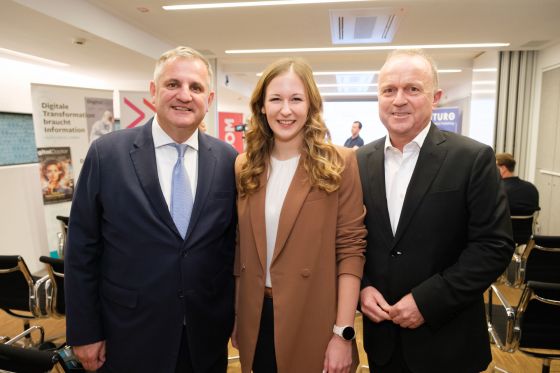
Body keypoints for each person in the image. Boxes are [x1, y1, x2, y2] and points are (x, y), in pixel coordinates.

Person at [65, 46, 238, 373]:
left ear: (209, 98)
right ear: (153, 92)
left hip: (205, 336)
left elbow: (232, 247)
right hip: (129, 335)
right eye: (173, 84)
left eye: (196, 87)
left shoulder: (228, 160)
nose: (184, 95)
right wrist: (84, 332)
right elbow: (82, 249)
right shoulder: (107, 155)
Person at [356, 49, 514, 373]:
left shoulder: (472, 159)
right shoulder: (359, 162)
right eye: (389, 90)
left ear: (435, 97)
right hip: (382, 342)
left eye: (412, 89)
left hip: (448, 345)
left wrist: (426, 302)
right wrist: (362, 286)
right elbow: (352, 239)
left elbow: (493, 247)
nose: (399, 100)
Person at [233, 58, 367, 373]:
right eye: (276, 99)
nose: (286, 110)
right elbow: (241, 250)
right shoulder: (244, 166)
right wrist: (239, 317)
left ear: (311, 105)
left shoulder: (340, 163)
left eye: (296, 99)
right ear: (262, 107)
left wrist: (343, 334)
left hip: (315, 318)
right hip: (258, 316)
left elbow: (351, 251)